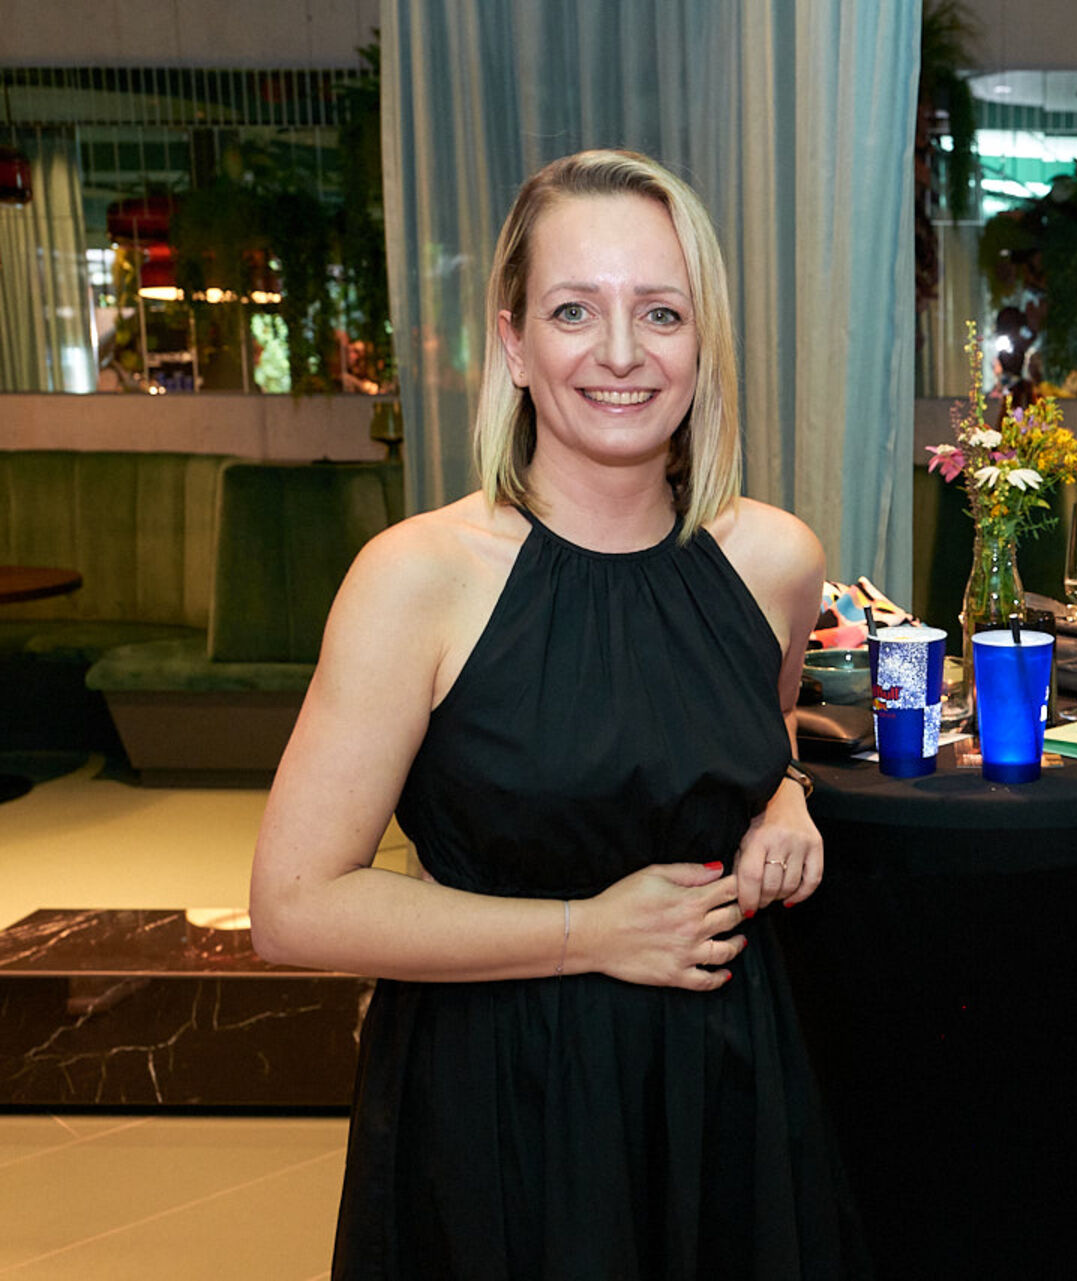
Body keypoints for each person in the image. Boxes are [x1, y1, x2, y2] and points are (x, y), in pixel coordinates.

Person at [250, 149, 866, 1279]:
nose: (621, 353)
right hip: (501, 1101)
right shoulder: (417, 578)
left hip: (723, 1088)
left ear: (704, 343)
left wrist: (785, 793)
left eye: (661, 312)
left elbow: (750, 727)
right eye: (574, 310)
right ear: (514, 344)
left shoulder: (775, 560)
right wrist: (589, 932)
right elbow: (293, 908)